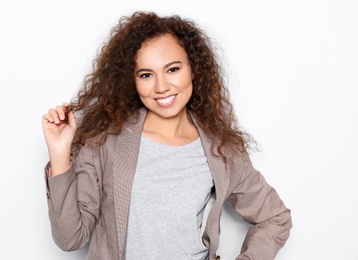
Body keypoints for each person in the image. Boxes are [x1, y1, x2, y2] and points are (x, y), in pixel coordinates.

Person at [42, 11, 292, 260]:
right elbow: (69, 238)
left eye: (172, 69)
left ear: (193, 69)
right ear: (132, 80)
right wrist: (60, 154)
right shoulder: (105, 142)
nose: (161, 86)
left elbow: (274, 218)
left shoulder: (221, 150)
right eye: (146, 75)